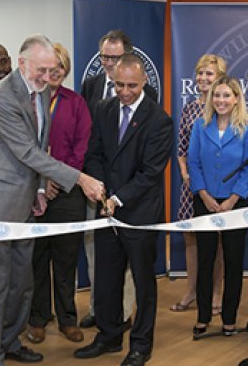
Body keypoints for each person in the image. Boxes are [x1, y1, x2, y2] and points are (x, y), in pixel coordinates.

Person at [0, 34, 104, 365]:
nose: (47, 78)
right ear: (22, 63)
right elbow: (27, 151)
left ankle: (10, 343)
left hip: (27, 201)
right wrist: (81, 178)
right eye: (41, 70)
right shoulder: (2, 98)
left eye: (52, 70)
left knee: (22, 284)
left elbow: (40, 149)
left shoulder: (39, 93)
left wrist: (41, 189)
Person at [75, 54, 173, 366]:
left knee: (143, 283)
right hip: (106, 210)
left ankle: (141, 346)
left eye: (132, 85)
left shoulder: (159, 119)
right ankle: (108, 336)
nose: (125, 91)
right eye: (119, 85)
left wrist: (118, 198)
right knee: (105, 278)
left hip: (139, 214)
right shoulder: (103, 109)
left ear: (144, 82)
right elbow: (94, 154)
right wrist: (100, 189)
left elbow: (150, 172)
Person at [79, 28, 157, 330]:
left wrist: (118, 195)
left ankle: (128, 322)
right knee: (101, 261)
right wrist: (98, 187)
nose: (109, 63)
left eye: (114, 57)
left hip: (132, 200)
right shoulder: (94, 91)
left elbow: (146, 163)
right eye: (104, 58)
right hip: (98, 192)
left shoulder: (150, 103)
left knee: (133, 268)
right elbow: (92, 145)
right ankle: (103, 320)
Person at [26, 43, 91, 345]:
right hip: (33, 192)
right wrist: (41, 181)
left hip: (67, 193)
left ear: (65, 71)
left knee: (66, 261)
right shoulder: (28, 102)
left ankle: (68, 319)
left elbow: (81, 149)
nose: (52, 74)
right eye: (47, 69)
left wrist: (57, 179)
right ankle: (38, 319)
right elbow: (24, 148)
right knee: (37, 259)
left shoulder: (76, 102)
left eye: (58, 68)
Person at [188, 75, 248, 337]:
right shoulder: (199, 126)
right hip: (204, 200)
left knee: (233, 261)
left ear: (237, 98)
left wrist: (231, 200)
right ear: (210, 98)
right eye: (217, 95)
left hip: (235, 203)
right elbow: (193, 163)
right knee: (205, 261)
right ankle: (203, 317)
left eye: (226, 95)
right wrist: (204, 196)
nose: (221, 100)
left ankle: (229, 319)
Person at [171, 54, 227, 315]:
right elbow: (181, 147)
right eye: (200, 73)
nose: (203, 78)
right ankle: (191, 290)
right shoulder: (189, 108)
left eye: (210, 74)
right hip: (191, 185)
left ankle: (216, 292)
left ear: (220, 79)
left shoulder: (224, 107)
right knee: (191, 238)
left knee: (216, 239)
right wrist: (184, 172)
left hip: (217, 185)